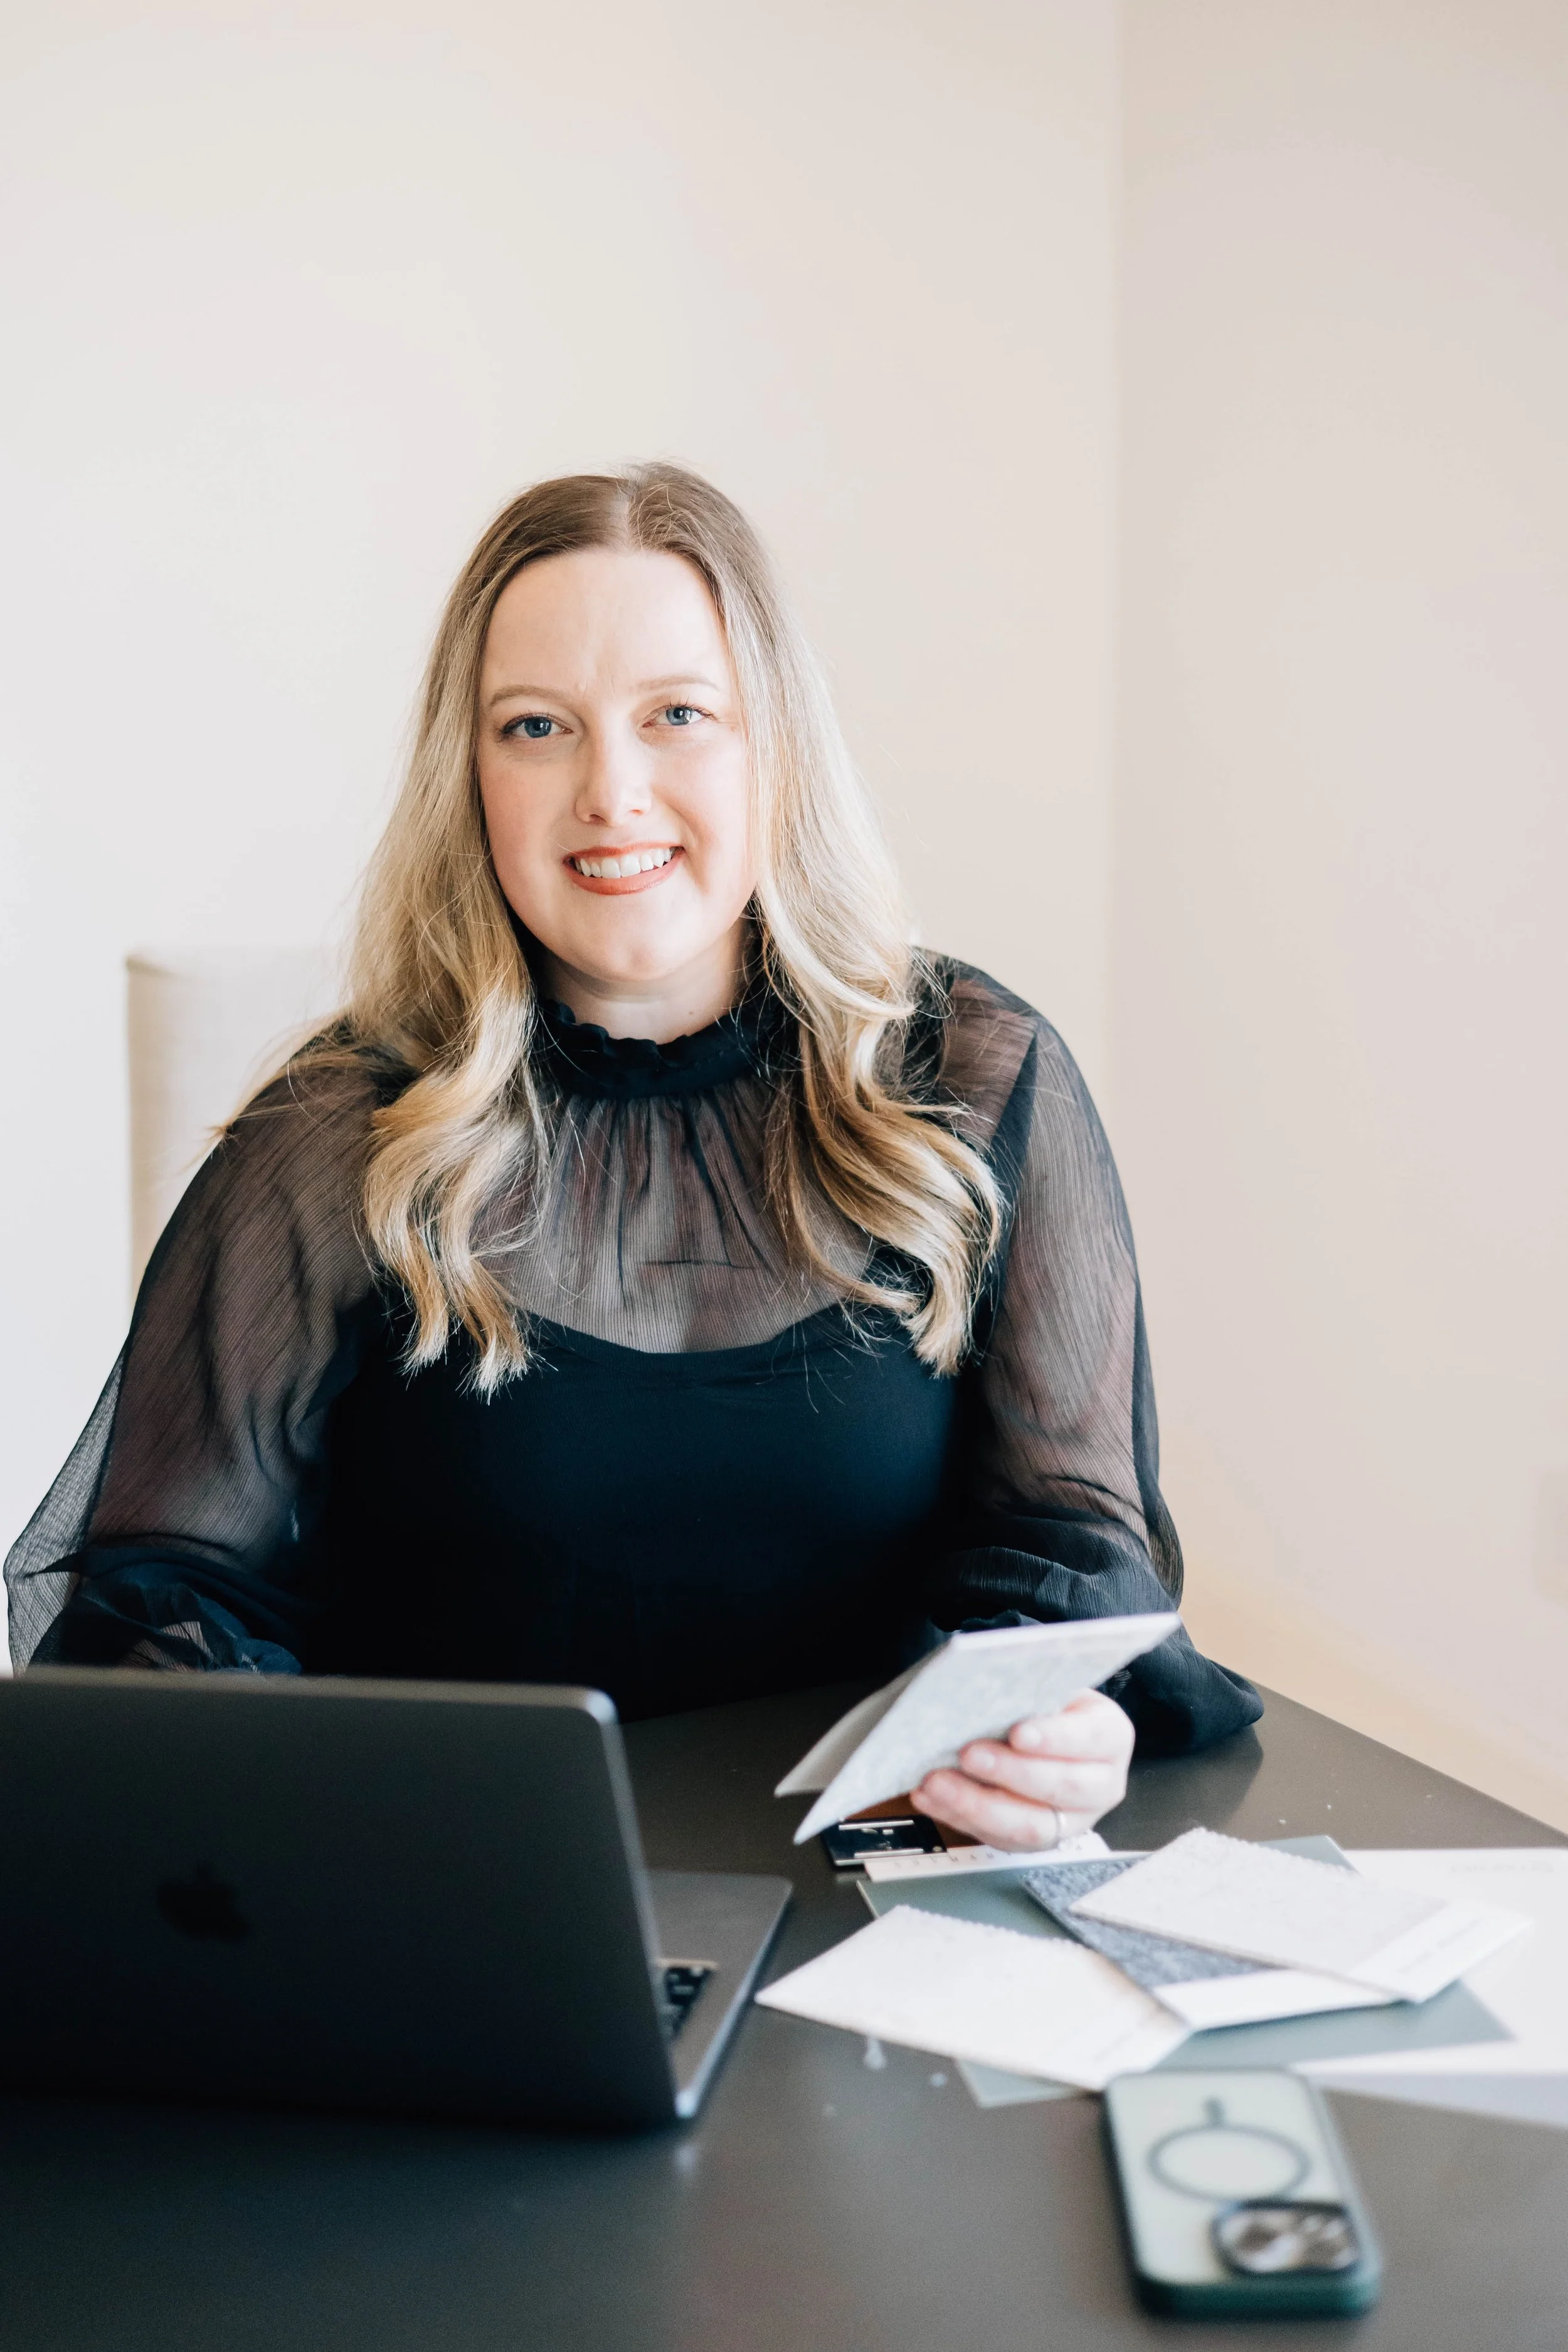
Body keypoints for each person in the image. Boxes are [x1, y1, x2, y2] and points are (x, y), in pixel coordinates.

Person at [6, 464, 1259, 1852]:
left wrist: (1046, 1729)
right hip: (467, 1910)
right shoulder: (335, 1134)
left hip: (886, 1900)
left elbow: (1076, 1533)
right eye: (535, 726)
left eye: (678, 716)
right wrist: (296, 1791)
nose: (611, 792)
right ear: (469, 776)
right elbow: (158, 1591)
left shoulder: (972, 1082)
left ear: (769, 747)